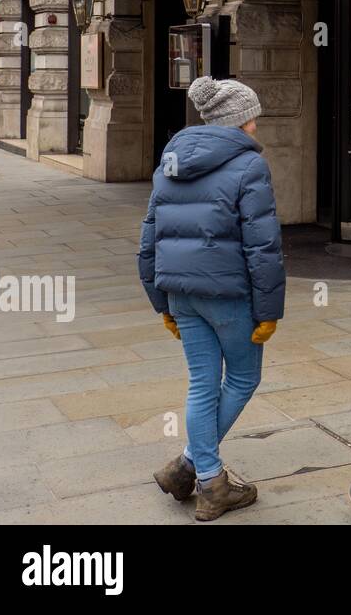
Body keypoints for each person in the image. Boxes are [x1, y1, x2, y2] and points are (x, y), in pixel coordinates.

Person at [137, 75, 285, 522]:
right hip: (229, 294)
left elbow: (149, 239)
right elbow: (263, 247)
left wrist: (160, 302)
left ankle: (190, 469)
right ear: (240, 120)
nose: (257, 125)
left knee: (202, 383)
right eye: (252, 116)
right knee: (242, 378)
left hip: (182, 293)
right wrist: (269, 311)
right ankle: (208, 480)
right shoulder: (249, 166)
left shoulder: (172, 160)